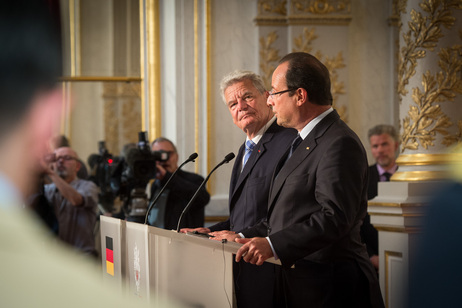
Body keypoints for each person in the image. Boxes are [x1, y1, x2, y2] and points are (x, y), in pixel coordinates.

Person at [0, 2, 181, 307]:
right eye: (57, 158)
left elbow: (73, 200)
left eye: (65, 159)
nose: (58, 162)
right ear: (50, 116)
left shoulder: (86, 186)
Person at [216, 52, 385, 307]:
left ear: (300, 96)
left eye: (274, 92)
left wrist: (273, 244)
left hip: (333, 288)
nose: (270, 102)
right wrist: (242, 236)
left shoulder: (339, 142)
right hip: (302, 284)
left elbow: (334, 216)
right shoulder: (300, 141)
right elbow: (286, 214)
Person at [182, 70, 297, 308]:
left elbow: (285, 212)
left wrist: (242, 235)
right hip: (244, 269)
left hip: (272, 269)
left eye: (247, 97)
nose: (241, 106)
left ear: (267, 97)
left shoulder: (287, 142)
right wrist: (210, 232)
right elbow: (242, 216)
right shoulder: (244, 150)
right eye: (233, 103)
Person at [43, 146, 99, 257]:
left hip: (82, 258)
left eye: (67, 158)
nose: (60, 161)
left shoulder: (88, 186)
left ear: (78, 166)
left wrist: (51, 174)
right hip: (54, 257)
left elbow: (76, 200)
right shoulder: (47, 190)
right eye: (57, 158)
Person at [147, 137, 210, 230]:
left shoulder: (195, 179)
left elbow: (203, 198)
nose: (163, 159)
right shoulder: (155, 184)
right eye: (157, 155)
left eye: (167, 154)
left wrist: (167, 177)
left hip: (184, 240)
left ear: (176, 156)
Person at [361, 124, 399, 271]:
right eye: (375, 146)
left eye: (384, 144)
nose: (380, 150)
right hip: (372, 259)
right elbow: (356, 220)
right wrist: (370, 255)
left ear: (395, 145)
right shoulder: (363, 177)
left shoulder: (408, 175)